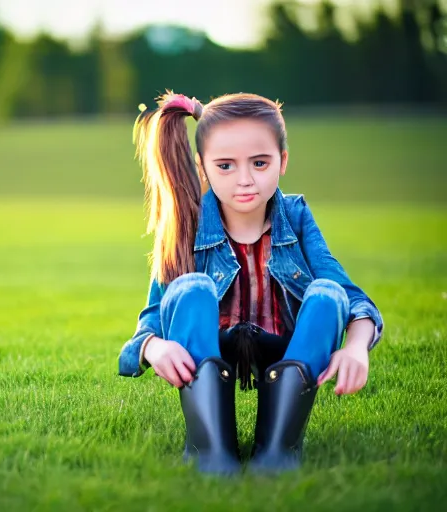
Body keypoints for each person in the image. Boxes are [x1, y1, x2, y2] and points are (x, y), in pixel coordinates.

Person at [117, 91, 384, 476]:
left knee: (328, 295)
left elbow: (351, 297)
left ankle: (278, 450)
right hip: (210, 349)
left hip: (285, 348)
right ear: (202, 167)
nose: (245, 180)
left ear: (283, 161)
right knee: (191, 288)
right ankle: (210, 450)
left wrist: (357, 347)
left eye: (260, 163)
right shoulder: (185, 225)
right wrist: (153, 348)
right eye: (225, 166)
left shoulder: (295, 215)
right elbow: (150, 322)